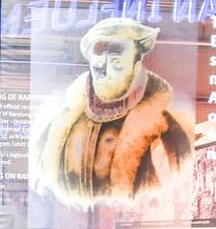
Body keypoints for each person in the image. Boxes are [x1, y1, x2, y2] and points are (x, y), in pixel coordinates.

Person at [32, 17, 192, 206]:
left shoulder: (165, 131)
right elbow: (43, 187)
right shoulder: (60, 127)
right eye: (98, 63)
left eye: (116, 62)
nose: (104, 72)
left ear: (136, 65)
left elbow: (175, 194)